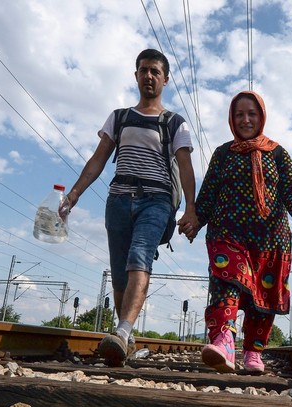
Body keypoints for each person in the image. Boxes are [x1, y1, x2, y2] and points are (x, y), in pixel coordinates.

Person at [64, 48, 198, 367]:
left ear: (165, 79)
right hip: (119, 200)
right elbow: (98, 159)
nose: (148, 76)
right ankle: (126, 335)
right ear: (135, 75)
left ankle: (122, 331)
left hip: (157, 201)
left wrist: (191, 209)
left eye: (154, 71)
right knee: (120, 275)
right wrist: (74, 195)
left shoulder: (174, 123)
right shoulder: (119, 117)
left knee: (139, 254)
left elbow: (186, 166)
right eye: (143, 70)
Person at [188, 90, 292, 374]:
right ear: (232, 118)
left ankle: (253, 353)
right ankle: (224, 341)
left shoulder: (277, 153)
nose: (245, 120)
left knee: (262, 298)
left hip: (270, 238)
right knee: (226, 284)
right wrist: (195, 220)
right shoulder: (222, 154)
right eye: (239, 114)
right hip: (228, 235)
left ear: (261, 117)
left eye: (251, 114)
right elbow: (208, 194)